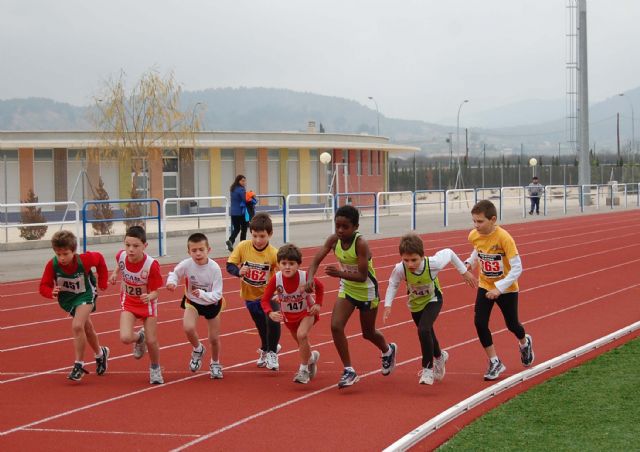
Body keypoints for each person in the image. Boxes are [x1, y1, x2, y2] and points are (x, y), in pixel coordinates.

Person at [306, 205, 397, 389]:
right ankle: (349, 370)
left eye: (345, 227)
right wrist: (309, 278)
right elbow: (315, 260)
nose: (340, 230)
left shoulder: (360, 244)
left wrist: (339, 273)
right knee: (335, 326)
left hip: (367, 291)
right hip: (347, 289)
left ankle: (388, 350)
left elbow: (362, 276)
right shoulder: (333, 240)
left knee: (368, 333)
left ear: (355, 227)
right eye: (337, 225)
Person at [383, 233, 476, 385]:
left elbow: (449, 253)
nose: (410, 264)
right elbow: (393, 284)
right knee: (428, 333)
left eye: (414, 260)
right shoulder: (400, 269)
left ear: (422, 256)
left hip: (434, 299)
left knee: (423, 329)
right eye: (406, 260)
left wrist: (464, 272)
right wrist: (388, 304)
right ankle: (440, 357)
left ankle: (427, 369)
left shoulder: (433, 263)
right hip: (415, 304)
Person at [464, 200, 534, 381]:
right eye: (474, 221)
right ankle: (494, 361)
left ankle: (524, 342)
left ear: (493, 219)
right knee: (479, 322)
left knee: (512, 325)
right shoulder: (474, 235)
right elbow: (477, 249)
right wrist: (470, 262)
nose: (476, 225)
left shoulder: (504, 238)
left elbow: (517, 268)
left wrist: (499, 288)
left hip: (507, 288)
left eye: (480, 221)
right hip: (485, 285)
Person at [39, 230, 110, 381]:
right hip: (69, 299)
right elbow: (43, 286)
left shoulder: (84, 260)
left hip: (86, 294)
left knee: (77, 326)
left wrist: (103, 281)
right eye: (58, 254)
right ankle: (100, 353)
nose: (62, 258)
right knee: (87, 328)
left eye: (65, 254)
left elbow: (100, 259)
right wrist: (50, 292)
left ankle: (79, 365)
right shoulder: (52, 264)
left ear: (73, 251)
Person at [261, 244, 325, 384]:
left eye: (291, 263)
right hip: (289, 317)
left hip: (307, 311)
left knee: (302, 335)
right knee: (301, 344)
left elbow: (320, 287)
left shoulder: (304, 276)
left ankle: (303, 370)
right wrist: (270, 313)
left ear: (298, 265)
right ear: (278, 264)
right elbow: (264, 300)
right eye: (284, 263)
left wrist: (318, 304)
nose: (287, 267)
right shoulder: (276, 279)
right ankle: (312, 359)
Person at [109, 225, 164, 385]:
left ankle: (155, 368)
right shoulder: (121, 256)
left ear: (144, 246)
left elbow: (156, 292)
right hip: (129, 302)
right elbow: (120, 265)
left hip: (147, 304)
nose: (131, 249)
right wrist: (114, 274)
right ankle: (140, 338)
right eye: (127, 245)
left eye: (135, 246)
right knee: (125, 338)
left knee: (152, 341)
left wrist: (149, 296)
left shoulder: (151, 265)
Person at [226, 212, 281, 370]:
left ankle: (272, 353)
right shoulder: (243, 246)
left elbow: (283, 273)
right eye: (255, 236)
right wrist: (238, 271)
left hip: (268, 295)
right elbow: (229, 265)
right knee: (261, 327)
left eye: (262, 236)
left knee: (272, 320)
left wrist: (280, 291)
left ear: (270, 234)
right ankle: (266, 348)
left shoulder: (274, 253)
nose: (258, 240)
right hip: (250, 296)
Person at [166, 233, 225, 379]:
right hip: (193, 302)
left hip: (212, 303)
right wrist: (172, 282)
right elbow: (175, 273)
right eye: (194, 250)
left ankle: (215, 363)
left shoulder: (214, 268)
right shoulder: (186, 264)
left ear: (208, 250)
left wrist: (203, 294)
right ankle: (198, 349)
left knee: (213, 338)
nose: (198, 253)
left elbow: (218, 294)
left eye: (201, 250)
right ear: (189, 252)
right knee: (188, 327)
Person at [226, 174, 248, 252]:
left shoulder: (233, 189)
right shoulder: (241, 189)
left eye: (245, 181)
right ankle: (243, 246)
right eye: (242, 181)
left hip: (233, 213)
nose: (244, 182)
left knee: (236, 229)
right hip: (241, 213)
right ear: (238, 181)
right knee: (244, 229)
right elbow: (245, 199)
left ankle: (230, 241)